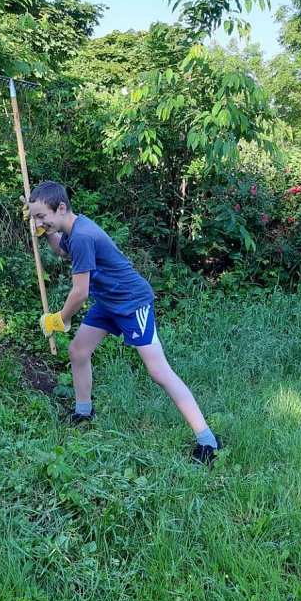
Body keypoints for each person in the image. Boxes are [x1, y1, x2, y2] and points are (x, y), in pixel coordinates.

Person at [26, 180, 220, 464]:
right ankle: (83, 412)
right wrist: (42, 231)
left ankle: (207, 441)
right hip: (108, 303)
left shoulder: (83, 235)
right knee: (78, 351)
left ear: (62, 207)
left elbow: (79, 293)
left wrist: (59, 320)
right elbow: (61, 251)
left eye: (42, 216)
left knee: (158, 371)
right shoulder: (71, 229)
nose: (39, 221)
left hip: (132, 303)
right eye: (35, 218)